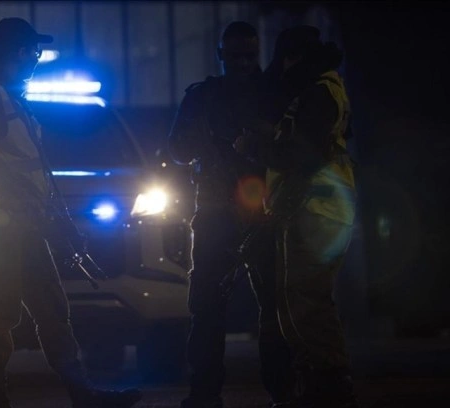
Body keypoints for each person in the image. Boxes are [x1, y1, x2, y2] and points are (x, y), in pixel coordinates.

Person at [0, 17, 141, 408]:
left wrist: (54, 218)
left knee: (51, 307)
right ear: (17, 53)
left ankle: (80, 393)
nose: (36, 58)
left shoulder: (8, 97)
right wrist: (1, 204)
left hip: (24, 223)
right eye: (32, 51)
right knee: (1, 310)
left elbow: (30, 168)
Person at [168, 21, 295, 408]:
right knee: (208, 308)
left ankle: (281, 391)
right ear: (222, 55)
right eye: (235, 56)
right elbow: (178, 149)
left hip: (260, 213)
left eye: (248, 56)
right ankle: (207, 393)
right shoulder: (205, 97)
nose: (242, 63)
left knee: (273, 308)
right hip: (219, 212)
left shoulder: (272, 93)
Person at [244, 25, 359, 408]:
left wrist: (258, 147)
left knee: (307, 302)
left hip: (314, 208)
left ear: (292, 57)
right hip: (313, 207)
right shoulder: (324, 88)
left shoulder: (318, 92)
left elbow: (301, 154)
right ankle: (318, 385)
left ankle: (331, 386)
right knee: (301, 301)